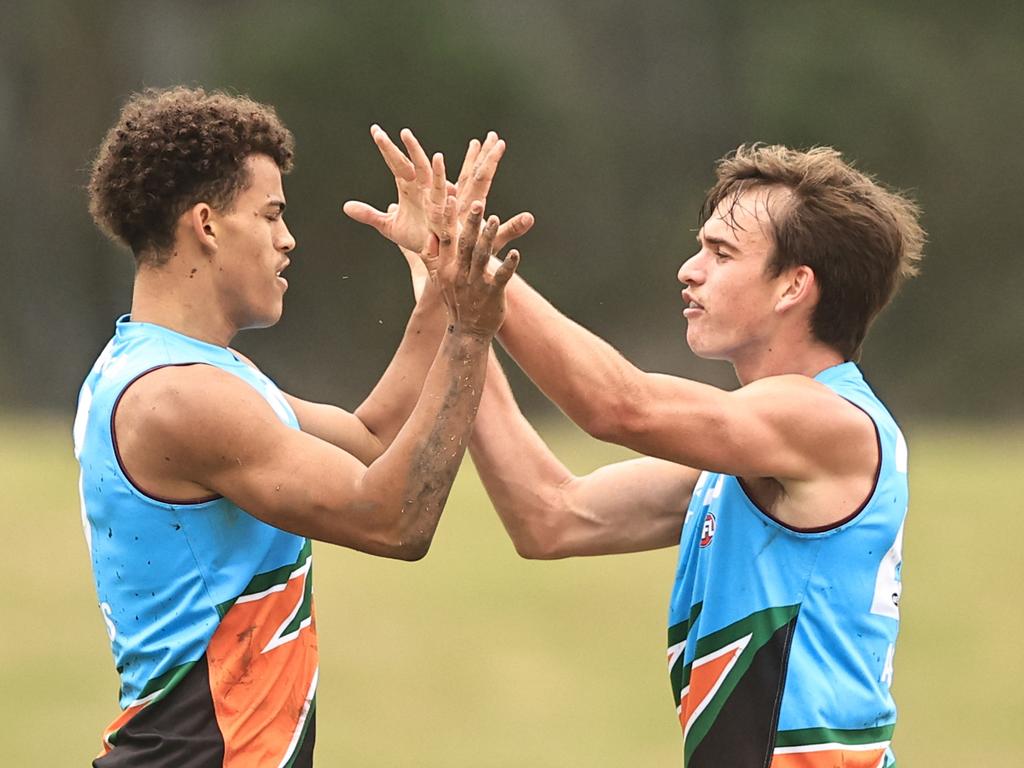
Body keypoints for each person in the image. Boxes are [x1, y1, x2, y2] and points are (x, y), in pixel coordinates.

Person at [380, 143, 923, 767]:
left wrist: (471, 257)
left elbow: (618, 405)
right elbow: (549, 515)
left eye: (721, 253)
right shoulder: (752, 454)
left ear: (794, 286)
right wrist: (453, 297)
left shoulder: (825, 420)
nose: (688, 271)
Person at [73, 86, 525, 767]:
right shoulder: (179, 398)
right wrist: (469, 332)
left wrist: (437, 278)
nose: (289, 239)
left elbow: (371, 437)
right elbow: (394, 520)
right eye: (272, 213)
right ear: (206, 223)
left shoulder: (189, 369)